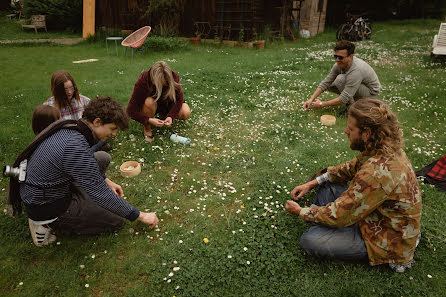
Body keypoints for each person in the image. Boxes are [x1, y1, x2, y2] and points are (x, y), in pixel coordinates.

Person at [286, 98, 422, 272]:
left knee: (311, 240)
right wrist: (312, 183)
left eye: (350, 129)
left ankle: (390, 257)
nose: (345, 131)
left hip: (387, 236)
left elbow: (339, 214)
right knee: (328, 184)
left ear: (366, 133)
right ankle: (326, 222)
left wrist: (301, 211)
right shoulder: (382, 148)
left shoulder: (376, 172)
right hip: (377, 213)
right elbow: (349, 168)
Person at [19, 96, 159, 247]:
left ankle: (75, 201)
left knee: (102, 157)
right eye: (112, 129)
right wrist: (141, 215)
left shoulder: (73, 126)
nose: (114, 134)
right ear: (97, 122)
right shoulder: (75, 148)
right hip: (46, 204)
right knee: (116, 220)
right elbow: (101, 194)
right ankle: (47, 224)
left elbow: (86, 167)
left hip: (48, 182)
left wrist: (106, 181)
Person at [303, 40, 381, 114]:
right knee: (330, 84)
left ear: (350, 56)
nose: (337, 60)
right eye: (335, 56)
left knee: (340, 80)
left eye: (340, 57)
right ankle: (353, 103)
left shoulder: (356, 70)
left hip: (370, 94)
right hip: (357, 86)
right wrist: (311, 99)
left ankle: (351, 108)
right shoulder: (339, 64)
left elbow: (344, 97)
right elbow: (326, 82)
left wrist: (322, 104)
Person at [126, 61, 191, 143]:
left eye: (165, 83)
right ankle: (147, 128)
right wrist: (149, 120)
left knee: (185, 112)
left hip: (168, 103)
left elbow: (179, 100)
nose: (163, 86)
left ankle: (164, 117)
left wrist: (171, 116)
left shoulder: (174, 78)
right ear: (153, 79)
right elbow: (130, 111)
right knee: (149, 102)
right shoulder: (143, 80)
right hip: (152, 104)